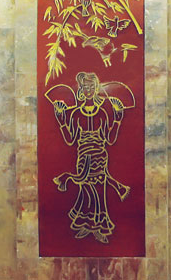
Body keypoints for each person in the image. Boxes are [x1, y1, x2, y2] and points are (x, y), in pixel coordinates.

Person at [52, 72, 130, 243]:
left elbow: (110, 139)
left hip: (99, 158)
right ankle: (87, 226)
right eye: (85, 87)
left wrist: (117, 119)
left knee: (99, 193)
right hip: (83, 159)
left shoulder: (102, 113)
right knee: (86, 192)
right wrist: (61, 120)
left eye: (91, 87)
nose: (88, 90)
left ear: (96, 88)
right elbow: (70, 139)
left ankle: (97, 229)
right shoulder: (76, 114)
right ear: (81, 89)